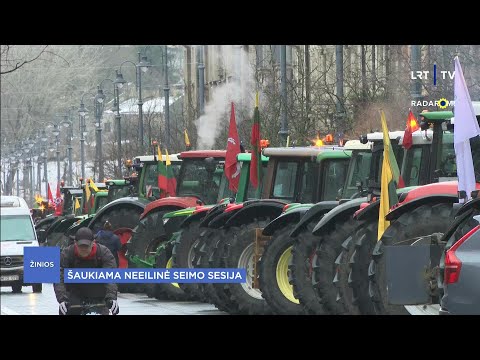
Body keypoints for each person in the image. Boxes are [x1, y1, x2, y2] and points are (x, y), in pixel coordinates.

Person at [53, 227, 119, 315]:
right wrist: (62, 299)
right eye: (81, 246)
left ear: (93, 243)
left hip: (98, 297)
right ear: (75, 243)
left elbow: (111, 277)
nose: (83, 249)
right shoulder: (67, 254)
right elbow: (58, 277)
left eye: (86, 246)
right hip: (73, 296)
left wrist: (111, 297)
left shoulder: (104, 253)